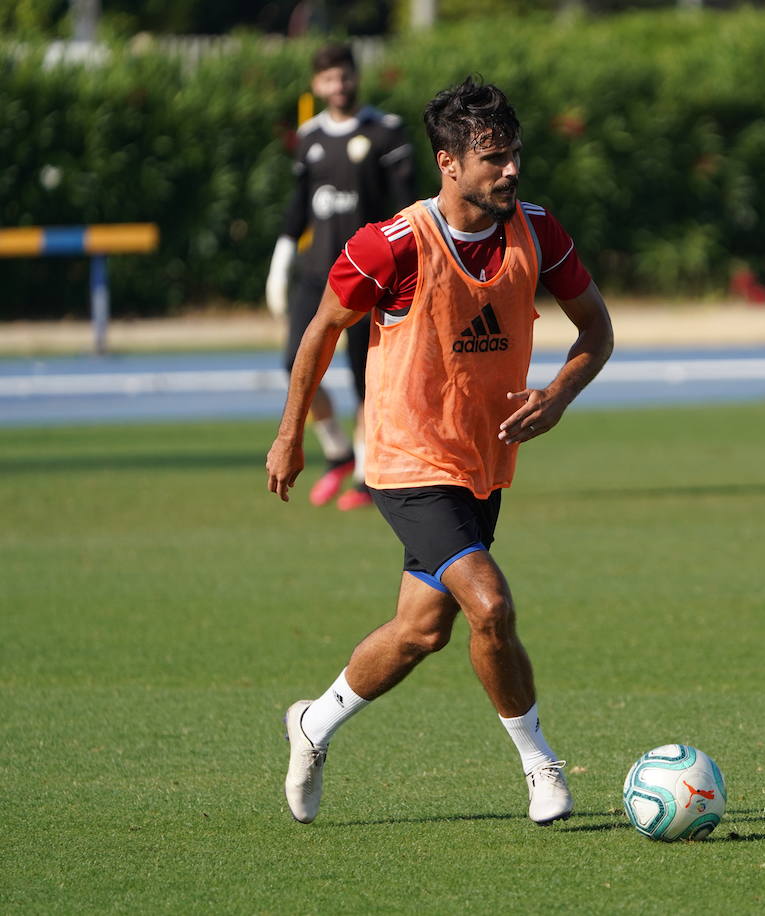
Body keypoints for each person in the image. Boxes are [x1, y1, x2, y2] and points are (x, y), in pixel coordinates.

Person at [265, 76, 614, 826]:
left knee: (423, 629)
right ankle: (541, 765)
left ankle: (311, 723)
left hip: (482, 462)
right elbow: (322, 330)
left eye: (515, 154)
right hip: (402, 459)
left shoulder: (539, 231)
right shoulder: (390, 246)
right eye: (494, 158)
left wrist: (556, 396)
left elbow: (597, 332)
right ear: (449, 163)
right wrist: (292, 432)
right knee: (490, 603)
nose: (511, 170)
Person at [265, 42, 415, 511]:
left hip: (370, 279)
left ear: (356, 77)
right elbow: (299, 205)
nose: (339, 85)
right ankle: (337, 451)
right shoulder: (309, 138)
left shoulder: (386, 134)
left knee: (366, 380)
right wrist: (282, 254)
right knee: (296, 363)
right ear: (317, 85)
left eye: (345, 75)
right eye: (329, 78)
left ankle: (368, 475)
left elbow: (406, 206)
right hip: (318, 277)